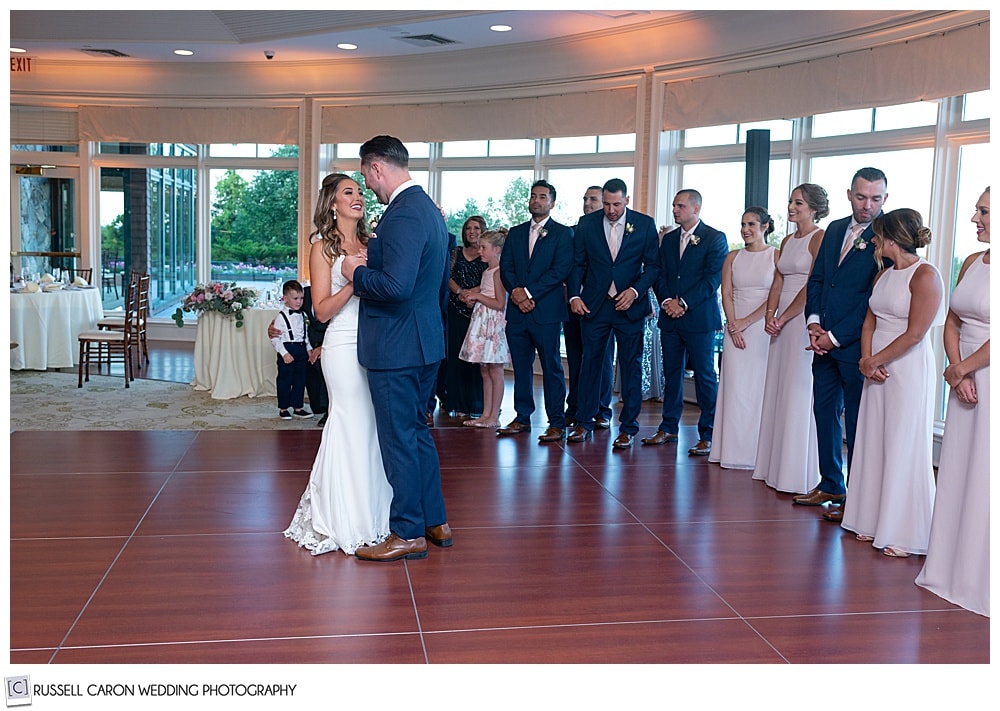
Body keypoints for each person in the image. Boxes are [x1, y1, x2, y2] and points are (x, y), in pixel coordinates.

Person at [341, 136, 451, 562]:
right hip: (423, 341)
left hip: (396, 345)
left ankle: (407, 532)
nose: (368, 187)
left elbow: (395, 287)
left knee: (399, 440)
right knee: (418, 434)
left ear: (376, 168)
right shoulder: (428, 210)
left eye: (366, 177)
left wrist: (358, 270)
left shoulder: (403, 214)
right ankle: (435, 521)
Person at [284, 173, 392, 555]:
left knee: (373, 428)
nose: (358, 197)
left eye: (360, 191)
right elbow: (322, 311)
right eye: (349, 192)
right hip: (343, 345)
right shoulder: (321, 248)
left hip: (377, 343)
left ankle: (374, 514)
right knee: (349, 421)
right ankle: (339, 516)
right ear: (333, 203)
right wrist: (353, 280)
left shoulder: (372, 241)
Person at [840, 208, 944, 558]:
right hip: (876, 366)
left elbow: (916, 333)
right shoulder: (882, 275)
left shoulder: (925, 275)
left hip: (906, 367)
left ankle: (904, 529)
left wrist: (876, 361)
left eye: (877, 235)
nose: (872, 241)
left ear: (891, 237)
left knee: (902, 442)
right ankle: (870, 519)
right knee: (874, 440)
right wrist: (866, 360)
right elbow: (869, 321)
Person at [796, 168, 889, 520]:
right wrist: (814, 324)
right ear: (849, 194)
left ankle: (858, 498)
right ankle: (832, 482)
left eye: (876, 199)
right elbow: (818, 279)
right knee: (824, 411)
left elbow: (874, 297)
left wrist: (835, 338)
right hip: (822, 340)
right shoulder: (834, 229)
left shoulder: (886, 237)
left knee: (857, 422)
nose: (868, 206)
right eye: (862, 197)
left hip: (855, 346)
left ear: (885, 199)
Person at [916, 187, 990, 612]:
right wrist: (956, 366)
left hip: (987, 377)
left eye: (983, 211)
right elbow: (952, 320)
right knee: (959, 469)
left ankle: (979, 574)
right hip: (963, 375)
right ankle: (949, 566)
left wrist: (963, 369)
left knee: (986, 471)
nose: (974, 218)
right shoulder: (971, 262)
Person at [567, 178, 659, 449]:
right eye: (606, 204)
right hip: (595, 305)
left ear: (627, 201)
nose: (610, 209)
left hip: (629, 306)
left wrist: (634, 291)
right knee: (590, 365)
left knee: (630, 367)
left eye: (616, 204)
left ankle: (628, 428)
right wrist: (574, 295)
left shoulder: (644, 224)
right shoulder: (587, 224)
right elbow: (577, 264)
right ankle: (584, 422)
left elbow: (653, 267)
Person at [752, 185, 826, 493]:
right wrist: (771, 314)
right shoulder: (786, 240)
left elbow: (813, 285)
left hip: (800, 321)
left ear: (813, 208)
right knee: (778, 388)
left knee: (797, 389)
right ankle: (773, 465)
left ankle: (796, 471)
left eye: (798, 203)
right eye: (791, 201)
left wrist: (785, 318)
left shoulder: (819, 238)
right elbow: (778, 280)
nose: (792, 207)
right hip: (780, 322)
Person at [644, 189, 727, 455]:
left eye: (680, 206)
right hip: (670, 319)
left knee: (705, 376)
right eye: (674, 205)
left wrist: (684, 303)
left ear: (696, 208)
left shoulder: (715, 238)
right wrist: (667, 301)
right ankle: (669, 428)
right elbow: (659, 273)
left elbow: (713, 279)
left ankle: (709, 434)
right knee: (671, 374)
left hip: (699, 319)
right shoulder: (667, 240)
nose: (675, 210)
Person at [497, 180, 574, 442]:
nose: (536, 200)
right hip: (518, 313)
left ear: (552, 203)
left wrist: (528, 293)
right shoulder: (516, 233)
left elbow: (561, 270)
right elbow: (505, 267)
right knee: (520, 367)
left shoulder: (563, 234)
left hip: (546, 312)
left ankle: (556, 422)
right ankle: (522, 417)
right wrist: (517, 293)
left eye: (542, 197)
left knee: (551, 366)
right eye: (533, 196)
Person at [709, 207, 777, 469]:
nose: (746, 230)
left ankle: (757, 454)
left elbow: (775, 296)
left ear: (765, 227)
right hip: (734, 328)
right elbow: (726, 292)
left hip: (762, 330)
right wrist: (733, 325)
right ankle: (731, 451)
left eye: (751, 224)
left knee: (758, 390)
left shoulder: (776, 256)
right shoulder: (732, 257)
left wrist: (747, 323)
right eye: (743, 224)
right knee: (735, 390)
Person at [564, 186, 614, 429]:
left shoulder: (613, 232)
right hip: (575, 304)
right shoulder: (574, 231)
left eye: (593, 199)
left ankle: (602, 409)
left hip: (602, 306)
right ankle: (575, 405)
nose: (587, 203)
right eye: (584, 199)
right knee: (575, 357)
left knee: (602, 358)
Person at [459, 228, 510, 428]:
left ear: (497, 249)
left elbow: (499, 303)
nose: (480, 251)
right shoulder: (487, 271)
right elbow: (483, 288)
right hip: (482, 320)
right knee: (484, 369)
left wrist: (478, 297)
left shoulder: (498, 272)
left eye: (483, 247)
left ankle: (493, 416)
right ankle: (485, 413)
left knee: (495, 370)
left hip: (493, 323)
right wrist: (471, 293)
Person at [445, 216, 489, 418]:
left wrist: (473, 294)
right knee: (457, 356)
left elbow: (493, 277)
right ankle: (458, 403)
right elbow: (449, 277)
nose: (472, 231)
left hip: (480, 311)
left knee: (477, 358)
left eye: (477, 228)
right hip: (457, 309)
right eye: (469, 228)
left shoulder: (487, 253)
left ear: (483, 230)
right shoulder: (456, 252)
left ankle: (478, 404)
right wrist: (461, 292)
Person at [269, 279, 315, 420]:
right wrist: (284, 353)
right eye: (295, 298)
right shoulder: (280, 318)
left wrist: (308, 348)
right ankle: (283, 408)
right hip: (287, 349)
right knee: (285, 380)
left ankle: (298, 407)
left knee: (300, 380)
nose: (299, 302)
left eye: (301, 298)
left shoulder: (303, 315)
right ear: (285, 298)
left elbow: (305, 334)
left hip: (300, 349)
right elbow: (275, 338)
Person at [302, 285, 329, 426]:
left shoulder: (335, 291)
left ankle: (329, 410)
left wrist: (322, 346)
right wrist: (273, 326)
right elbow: (292, 312)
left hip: (330, 340)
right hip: (309, 341)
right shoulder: (306, 293)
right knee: (298, 359)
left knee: (324, 363)